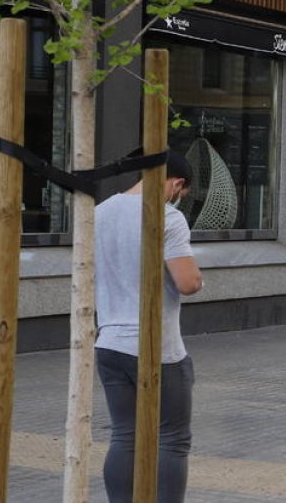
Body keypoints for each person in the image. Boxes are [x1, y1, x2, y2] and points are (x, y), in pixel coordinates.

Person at [95, 151, 202, 503]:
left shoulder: (101, 212)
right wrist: (198, 278)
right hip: (158, 347)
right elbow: (187, 282)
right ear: (176, 183)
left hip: (109, 341)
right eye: (181, 192)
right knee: (172, 439)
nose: (177, 198)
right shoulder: (167, 216)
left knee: (124, 435)